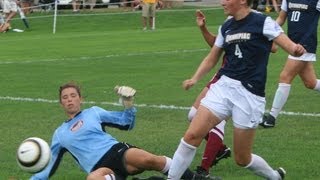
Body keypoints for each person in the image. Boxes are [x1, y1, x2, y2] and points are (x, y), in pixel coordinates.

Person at [167, 0, 306, 178]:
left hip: (249, 95)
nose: (222, 2)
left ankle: (274, 176)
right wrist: (194, 78)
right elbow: (212, 57)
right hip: (224, 87)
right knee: (192, 135)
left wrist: (296, 50)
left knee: (242, 158)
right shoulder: (226, 26)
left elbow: (287, 46)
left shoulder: (263, 22)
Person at [30, 82, 218, 180]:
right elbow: (49, 166)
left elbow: (126, 123)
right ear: (61, 102)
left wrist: (128, 105)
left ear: (81, 98)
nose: (70, 99)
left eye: (73, 96)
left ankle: (196, 178)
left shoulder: (93, 113)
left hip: (117, 151)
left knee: (150, 160)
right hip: (98, 167)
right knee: (92, 179)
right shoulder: (59, 134)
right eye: (65, 97)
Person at [260, 0, 320, 128]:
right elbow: (281, 18)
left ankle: (271, 118)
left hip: (305, 45)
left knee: (285, 77)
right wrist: (267, 34)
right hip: (291, 44)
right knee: (311, 83)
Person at [188, 10, 231, 177]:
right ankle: (220, 150)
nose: (224, 3)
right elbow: (216, 46)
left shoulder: (258, 20)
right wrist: (203, 28)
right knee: (193, 115)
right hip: (222, 74)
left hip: (239, 80)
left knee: (217, 122)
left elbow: (273, 47)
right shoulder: (229, 21)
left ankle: (204, 170)